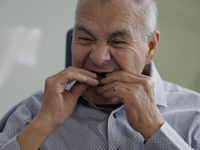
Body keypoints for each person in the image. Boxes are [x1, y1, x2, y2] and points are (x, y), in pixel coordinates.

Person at [0, 0, 200, 149]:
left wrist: (156, 129)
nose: (98, 58)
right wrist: (42, 126)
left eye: (118, 42)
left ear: (150, 47)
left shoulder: (195, 114)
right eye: (85, 38)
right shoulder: (35, 111)